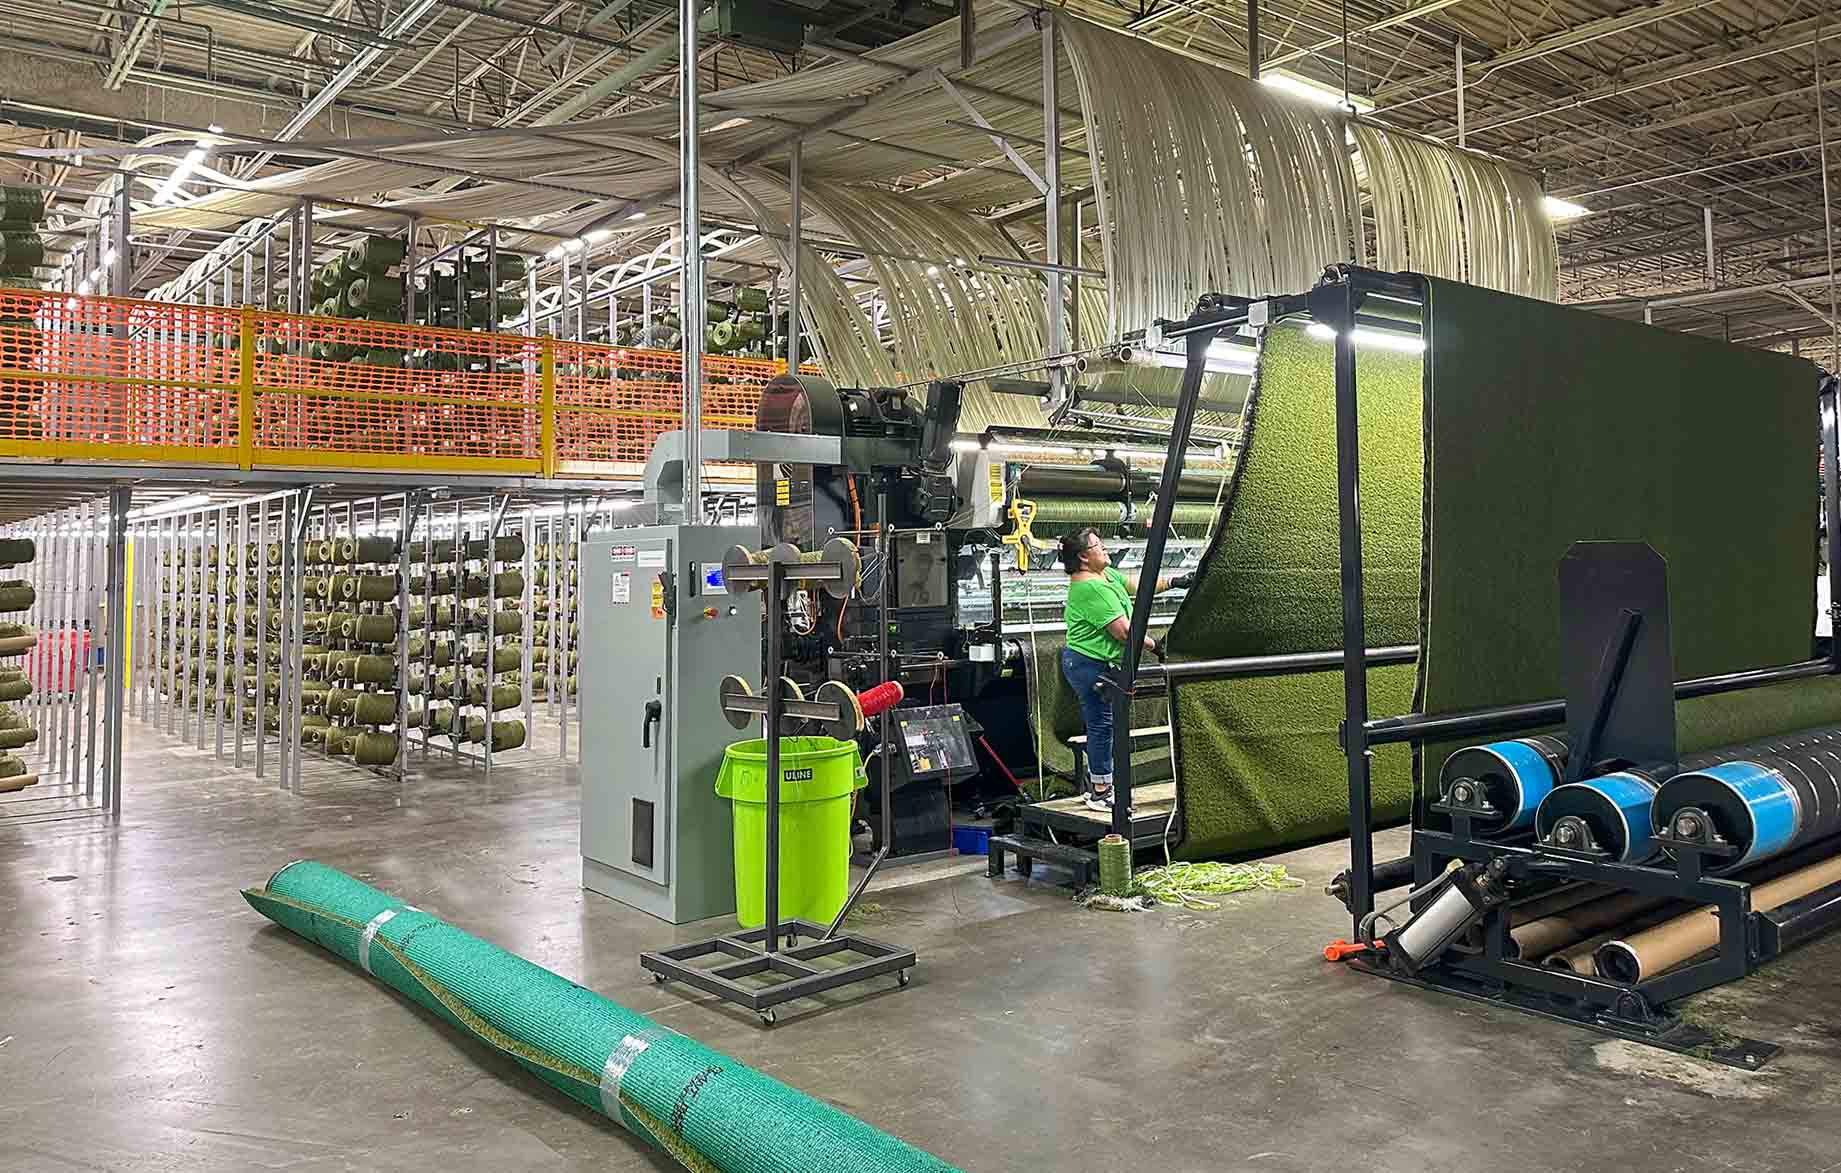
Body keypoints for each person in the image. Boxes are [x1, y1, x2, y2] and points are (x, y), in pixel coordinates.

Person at [1058, 528, 1194, 811]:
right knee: (1101, 724)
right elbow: (1123, 632)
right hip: (1087, 664)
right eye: (1098, 545)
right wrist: (1157, 647)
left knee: (1105, 723)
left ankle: (1101, 784)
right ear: (1084, 557)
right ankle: (1100, 791)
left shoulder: (1103, 576)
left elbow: (1134, 584)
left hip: (1096, 661)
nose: (1105, 548)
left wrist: (1174, 581)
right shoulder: (1089, 588)